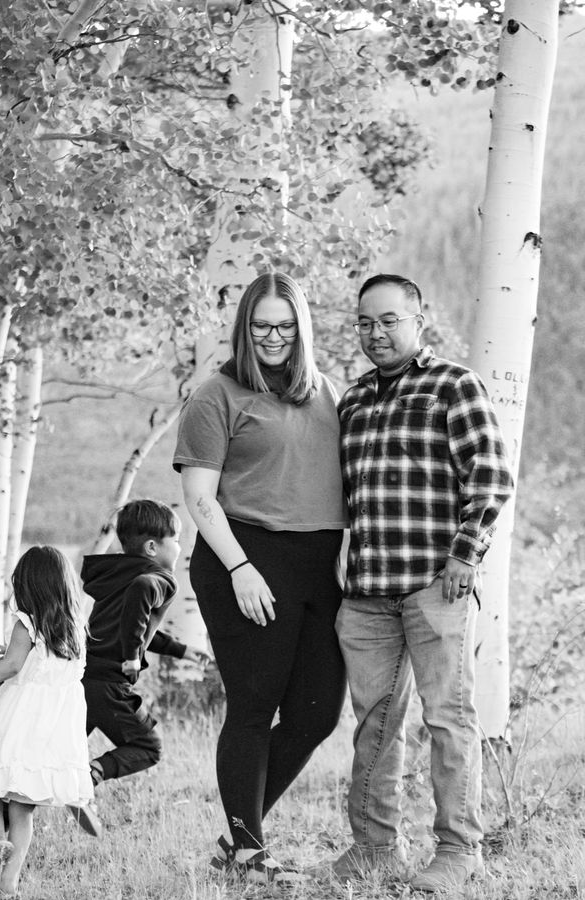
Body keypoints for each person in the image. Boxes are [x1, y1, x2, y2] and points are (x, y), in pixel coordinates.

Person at [333, 274, 514, 892]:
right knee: (373, 724)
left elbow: (490, 476)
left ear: (418, 319)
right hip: (365, 593)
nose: (376, 333)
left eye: (388, 320)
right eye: (365, 323)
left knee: (447, 718)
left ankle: (460, 850)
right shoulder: (352, 400)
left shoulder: (453, 385)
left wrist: (466, 555)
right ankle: (375, 848)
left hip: (436, 586)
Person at [173, 272, 347, 883]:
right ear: (244, 328)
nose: (273, 337)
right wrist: (240, 567)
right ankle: (248, 853)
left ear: (302, 328)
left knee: (317, 713)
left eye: (285, 325)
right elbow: (199, 497)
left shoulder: (327, 392)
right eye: (261, 325)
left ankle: (238, 835)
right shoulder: (216, 395)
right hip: (243, 559)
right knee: (253, 705)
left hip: (319, 568)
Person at [73, 498, 207, 834]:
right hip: (110, 683)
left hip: (84, 676)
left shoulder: (120, 575)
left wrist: (182, 651)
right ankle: (88, 778)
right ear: (152, 547)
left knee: (55, 750)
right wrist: (132, 655)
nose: (178, 548)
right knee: (148, 747)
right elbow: (141, 597)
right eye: (175, 541)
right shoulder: (157, 578)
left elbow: (136, 622)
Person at [0, 546, 94, 898]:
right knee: (24, 811)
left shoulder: (27, 623)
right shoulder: (76, 626)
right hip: (53, 729)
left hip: (19, 715)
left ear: (27, 585)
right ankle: (9, 884)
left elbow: (12, 666)